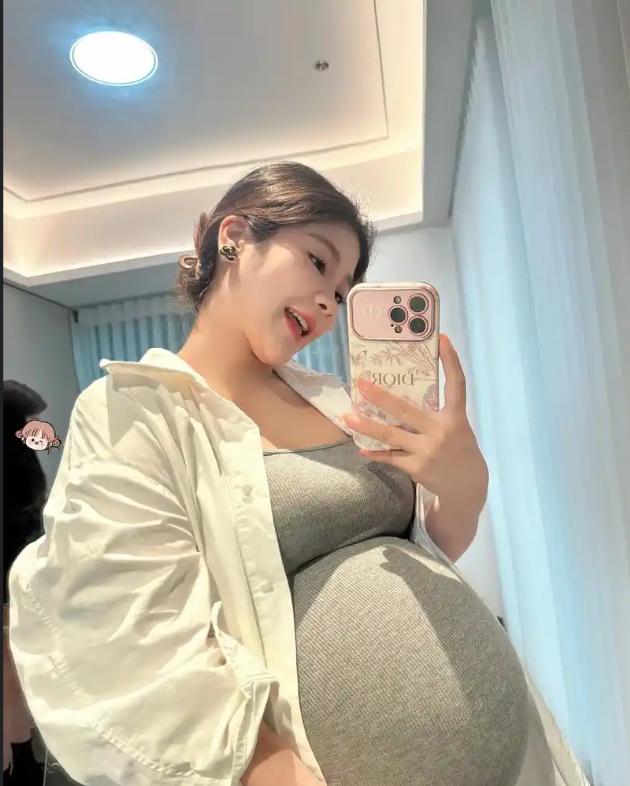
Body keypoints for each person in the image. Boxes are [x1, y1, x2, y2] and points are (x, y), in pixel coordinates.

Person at [7, 161, 590, 786]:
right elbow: (131, 643)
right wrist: (273, 771)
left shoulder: (335, 398)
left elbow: (424, 547)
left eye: (341, 292)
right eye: (318, 262)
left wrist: (464, 486)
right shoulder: (133, 411)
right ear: (234, 237)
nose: (328, 305)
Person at [3, 381, 48, 784]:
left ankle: (24, 759)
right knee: (13, 679)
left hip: (21, 585)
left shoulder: (23, 466)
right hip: (16, 585)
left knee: (14, 679)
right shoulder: (18, 470)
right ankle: (23, 760)